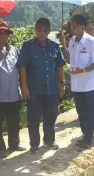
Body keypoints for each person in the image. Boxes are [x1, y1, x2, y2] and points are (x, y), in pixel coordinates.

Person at [18, 18, 66, 154]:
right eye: (38, 29)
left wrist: (62, 83)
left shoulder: (55, 46)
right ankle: (34, 145)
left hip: (51, 89)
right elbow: (22, 67)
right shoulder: (28, 46)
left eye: (44, 30)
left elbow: (60, 66)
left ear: (49, 31)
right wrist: (24, 87)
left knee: (51, 116)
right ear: (35, 29)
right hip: (34, 90)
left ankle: (49, 141)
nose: (41, 32)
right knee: (33, 118)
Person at [0, 21, 26, 158]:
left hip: (14, 93)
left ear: (8, 34)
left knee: (14, 121)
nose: (2, 35)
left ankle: (14, 144)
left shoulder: (14, 50)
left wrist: (23, 87)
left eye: (5, 32)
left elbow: (20, 70)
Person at [67, 14, 94, 148]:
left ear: (82, 27)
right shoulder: (72, 41)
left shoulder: (91, 42)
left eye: (74, 26)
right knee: (80, 112)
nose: (72, 28)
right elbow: (70, 59)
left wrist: (83, 70)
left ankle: (89, 139)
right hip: (76, 85)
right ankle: (85, 136)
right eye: (71, 26)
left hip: (89, 85)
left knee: (90, 112)